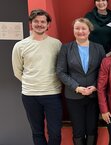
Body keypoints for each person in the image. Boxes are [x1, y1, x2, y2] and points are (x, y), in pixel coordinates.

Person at [12, 9, 62, 145]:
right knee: (37, 132)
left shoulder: (56, 44)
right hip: (30, 95)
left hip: (52, 94)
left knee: (55, 133)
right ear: (31, 23)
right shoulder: (20, 46)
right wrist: (31, 82)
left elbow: (61, 68)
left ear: (48, 24)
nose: (39, 24)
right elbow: (17, 71)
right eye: (36, 22)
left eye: (42, 22)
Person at [56, 18, 105, 145]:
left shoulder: (99, 48)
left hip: (93, 96)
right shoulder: (66, 48)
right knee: (78, 130)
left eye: (83, 28)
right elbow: (61, 71)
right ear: (73, 30)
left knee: (92, 129)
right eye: (77, 28)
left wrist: (94, 86)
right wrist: (76, 87)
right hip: (73, 96)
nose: (80, 31)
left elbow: (103, 72)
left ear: (89, 31)